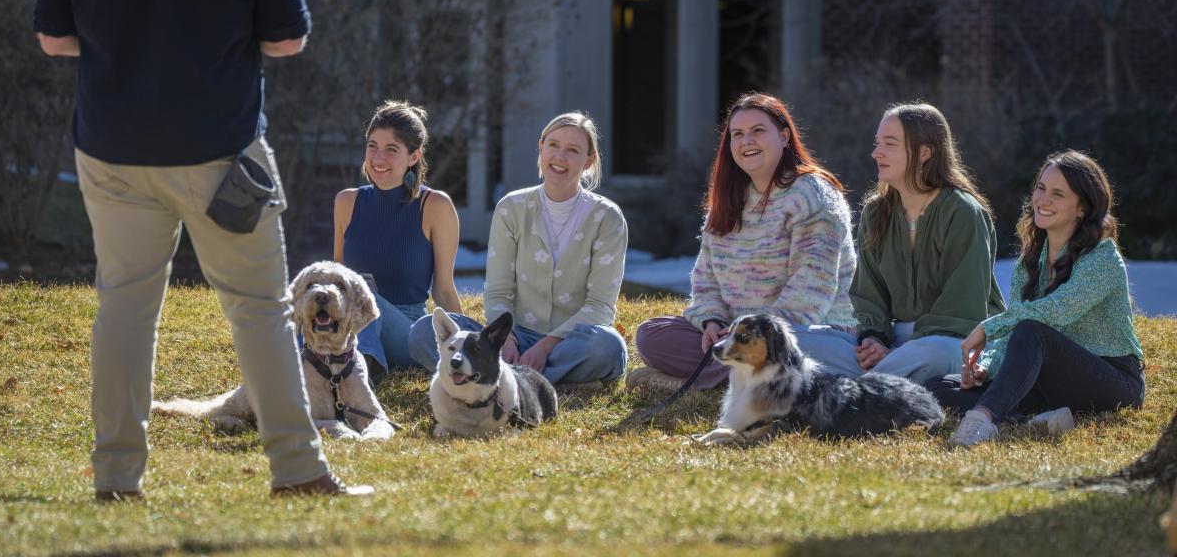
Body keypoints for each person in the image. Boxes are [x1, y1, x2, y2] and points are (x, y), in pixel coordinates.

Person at [33, 0, 365, 498]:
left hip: (113, 149)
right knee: (258, 310)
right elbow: (288, 38)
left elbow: (55, 38)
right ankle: (299, 471)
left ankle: (117, 480)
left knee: (124, 305)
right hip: (223, 153)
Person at [628, 92, 859, 392]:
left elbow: (811, 291)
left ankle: (704, 382)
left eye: (758, 131)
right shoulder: (729, 200)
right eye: (737, 134)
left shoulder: (813, 193)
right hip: (736, 336)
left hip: (808, 331)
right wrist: (711, 322)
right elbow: (706, 279)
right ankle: (739, 378)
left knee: (792, 347)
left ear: (785, 137)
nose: (746, 141)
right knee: (652, 334)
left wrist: (749, 335)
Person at [929, 151, 1144, 446]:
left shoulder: (1103, 258)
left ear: (1082, 208)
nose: (1043, 200)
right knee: (939, 386)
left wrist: (988, 327)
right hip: (1051, 380)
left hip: (1112, 381)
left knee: (1032, 329)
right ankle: (1031, 421)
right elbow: (1010, 342)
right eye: (1041, 189)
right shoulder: (1030, 263)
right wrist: (985, 368)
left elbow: (1056, 312)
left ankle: (981, 421)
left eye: (1058, 194)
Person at [408, 112, 628, 388]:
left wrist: (546, 347)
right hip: (512, 336)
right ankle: (550, 381)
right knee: (422, 333)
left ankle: (503, 381)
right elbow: (498, 290)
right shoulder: (511, 207)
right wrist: (506, 340)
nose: (560, 157)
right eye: (553, 145)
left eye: (573, 150)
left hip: (572, 342)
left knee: (608, 348)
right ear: (541, 148)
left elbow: (600, 306)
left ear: (589, 161)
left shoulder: (607, 217)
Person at [844, 102, 1004, 383]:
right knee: (811, 342)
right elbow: (868, 295)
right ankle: (875, 382)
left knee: (930, 353)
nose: (875, 152)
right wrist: (873, 339)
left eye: (889, 144)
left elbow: (962, 310)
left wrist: (897, 350)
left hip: (956, 340)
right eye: (877, 142)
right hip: (895, 340)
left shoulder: (963, 212)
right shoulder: (875, 212)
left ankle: (856, 392)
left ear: (925, 153)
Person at [334, 101, 464, 380]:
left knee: (360, 289)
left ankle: (359, 376)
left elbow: (443, 290)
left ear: (414, 156)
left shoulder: (435, 205)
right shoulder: (347, 201)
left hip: (406, 333)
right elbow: (336, 280)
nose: (378, 158)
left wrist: (468, 349)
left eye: (391, 150)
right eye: (372, 146)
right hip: (351, 324)